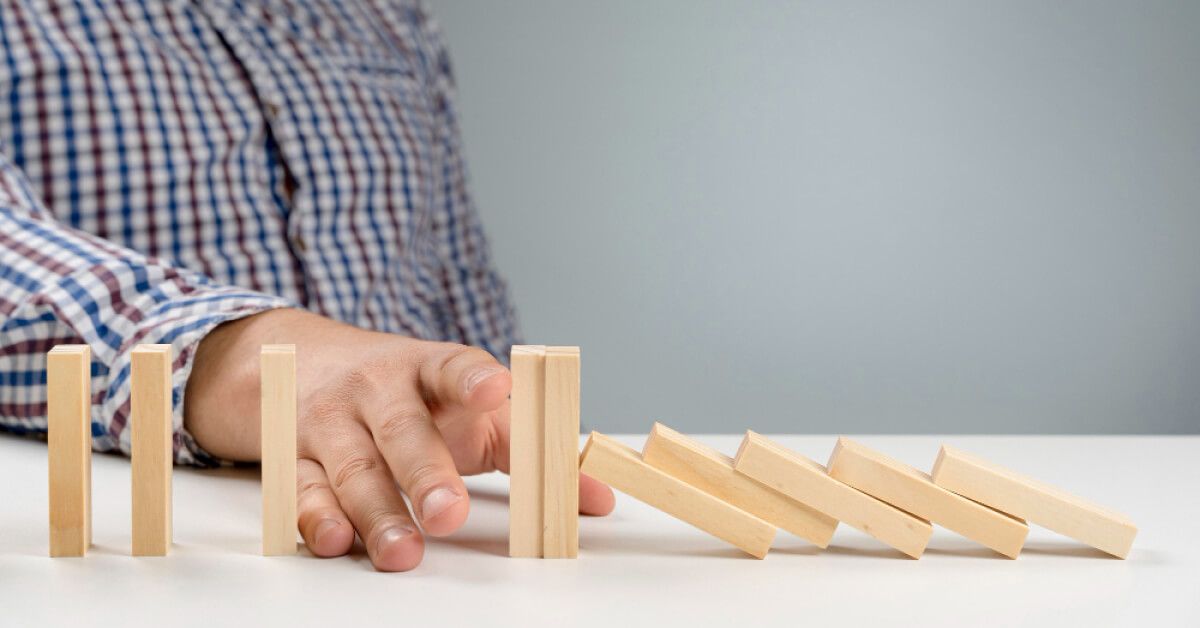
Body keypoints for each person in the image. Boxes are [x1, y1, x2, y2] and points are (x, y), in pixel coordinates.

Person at [0, 0, 614, 571]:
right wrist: (241, 365)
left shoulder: (388, 14)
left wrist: (478, 408)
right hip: (166, 522)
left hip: (441, 525)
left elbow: (450, 270)